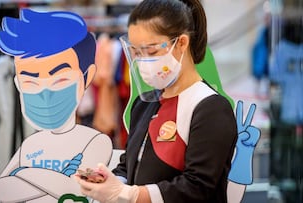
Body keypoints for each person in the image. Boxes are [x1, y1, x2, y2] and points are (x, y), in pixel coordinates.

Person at [74, 0, 238, 202]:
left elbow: (198, 187)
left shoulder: (210, 108)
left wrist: (130, 194)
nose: (143, 61)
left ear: (182, 43)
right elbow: (131, 164)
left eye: (151, 52)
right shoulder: (144, 104)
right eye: (137, 52)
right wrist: (111, 181)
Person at [0, 9, 113, 202]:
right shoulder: (31, 143)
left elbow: (77, 190)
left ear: (87, 77)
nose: (44, 93)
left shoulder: (95, 141)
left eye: (59, 80)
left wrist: (24, 173)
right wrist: (56, 180)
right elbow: (1, 188)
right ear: (18, 85)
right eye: (31, 82)